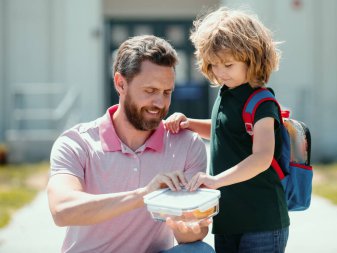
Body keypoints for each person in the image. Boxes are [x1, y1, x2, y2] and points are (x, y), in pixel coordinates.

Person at [47, 35, 215, 253]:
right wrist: (145, 194)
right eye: (150, 91)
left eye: (167, 92)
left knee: (198, 251)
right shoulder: (78, 142)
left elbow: (190, 235)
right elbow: (62, 210)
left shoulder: (187, 144)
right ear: (120, 83)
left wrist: (189, 226)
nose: (160, 103)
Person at [164, 7, 289, 253]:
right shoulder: (226, 93)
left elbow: (262, 157)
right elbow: (225, 130)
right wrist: (190, 123)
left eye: (228, 65)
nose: (220, 73)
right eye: (214, 65)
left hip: (261, 221)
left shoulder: (262, 102)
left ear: (253, 57)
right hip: (228, 220)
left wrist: (215, 181)